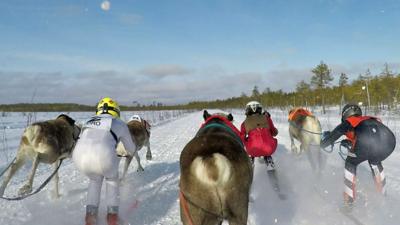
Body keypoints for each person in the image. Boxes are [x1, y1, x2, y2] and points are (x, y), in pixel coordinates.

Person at [73, 97, 137, 225]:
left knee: (94, 180)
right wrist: (129, 152)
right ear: (116, 111)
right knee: (112, 179)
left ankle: (90, 216)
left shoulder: (87, 120)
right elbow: (131, 148)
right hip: (103, 156)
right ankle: (112, 217)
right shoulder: (119, 123)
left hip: (80, 158)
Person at [321, 103, 396, 206]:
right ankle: (382, 196)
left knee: (350, 163)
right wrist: (350, 143)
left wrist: (322, 144)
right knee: (375, 161)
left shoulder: (350, 121)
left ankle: (349, 202)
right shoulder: (368, 119)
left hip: (367, 144)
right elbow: (370, 134)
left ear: (346, 115)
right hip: (390, 142)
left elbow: (334, 134)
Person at [240, 101, 278, 170]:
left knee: (250, 147)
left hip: (252, 150)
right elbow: (274, 132)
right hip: (269, 148)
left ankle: (250, 163)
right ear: (260, 109)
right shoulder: (267, 118)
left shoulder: (244, 123)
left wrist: (246, 140)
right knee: (267, 150)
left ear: (247, 111)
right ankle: (270, 165)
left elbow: (242, 138)